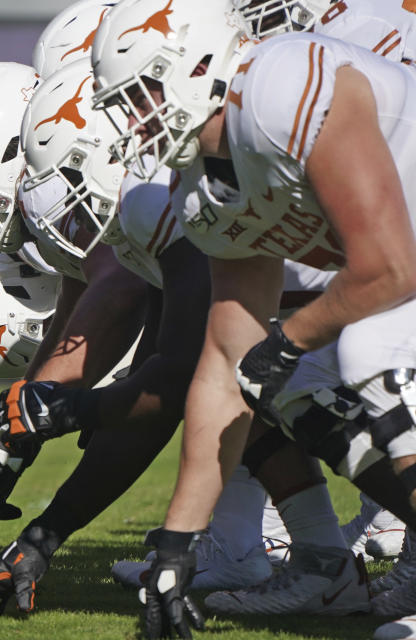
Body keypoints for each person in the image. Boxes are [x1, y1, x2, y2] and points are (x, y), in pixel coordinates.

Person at [86, 0, 416, 637]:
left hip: (402, 268)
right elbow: (223, 364)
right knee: (295, 385)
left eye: (143, 94)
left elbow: (390, 269)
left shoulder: (282, 85)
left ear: (200, 64)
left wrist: (289, 338)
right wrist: (176, 547)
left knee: (369, 351)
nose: (136, 119)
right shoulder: (207, 191)